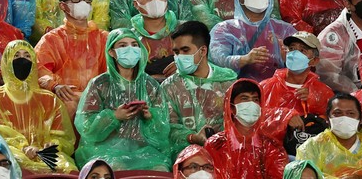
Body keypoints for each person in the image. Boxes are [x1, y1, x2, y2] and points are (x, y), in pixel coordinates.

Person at [74, 28, 172, 171]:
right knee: (115, 168)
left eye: (134, 44)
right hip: (105, 149)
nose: (130, 49)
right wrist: (114, 116)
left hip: (145, 149)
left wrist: (150, 117)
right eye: (123, 45)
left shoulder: (150, 85)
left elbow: (163, 130)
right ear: (111, 52)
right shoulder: (99, 84)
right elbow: (87, 127)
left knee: (160, 169)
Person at [0, 40, 76, 173]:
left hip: (44, 154)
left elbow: (64, 136)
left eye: (27, 56)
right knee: (16, 163)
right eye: (16, 56)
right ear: (6, 61)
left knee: (66, 167)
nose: (22, 60)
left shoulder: (49, 99)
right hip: (9, 153)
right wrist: (22, 147)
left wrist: (53, 144)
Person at [162, 21, 237, 153]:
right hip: (185, 155)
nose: (179, 57)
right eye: (176, 52)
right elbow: (167, 128)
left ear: (202, 50)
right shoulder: (169, 87)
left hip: (226, 152)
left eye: (185, 50)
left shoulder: (228, 82)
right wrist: (192, 138)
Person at [210, 0, 297, 82]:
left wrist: (287, 58)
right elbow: (218, 60)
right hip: (239, 90)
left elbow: (304, 63)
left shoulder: (285, 30)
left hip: (277, 89)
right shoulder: (224, 29)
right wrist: (245, 59)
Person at [203, 79, 289, 179]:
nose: (251, 104)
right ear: (231, 108)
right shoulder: (215, 145)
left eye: (255, 99)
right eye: (245, 99)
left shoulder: (272, 146)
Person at [297, 94, 362, 179]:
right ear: (328, 118)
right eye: (337, 113)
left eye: (350, 113)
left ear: (360, 119)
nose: (344, 118)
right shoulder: (312, 147)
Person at [260, 31, 334, 123]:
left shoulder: (323, 92)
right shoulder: (265, 87)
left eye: (302, 50)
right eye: (292, 48)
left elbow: (333, 120)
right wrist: (284, 116)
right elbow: (255, 119)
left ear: (314, 61)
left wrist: (316, 102)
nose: (295, 54)